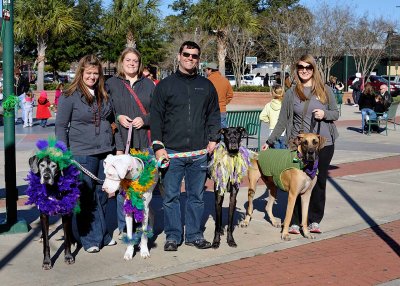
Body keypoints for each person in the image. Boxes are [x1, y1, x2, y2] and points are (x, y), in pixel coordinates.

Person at [150, 41, 220, 251]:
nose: (190, 58)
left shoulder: (206, 85)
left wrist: (213, 138)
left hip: (199, 152)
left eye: (195, 56)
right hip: (171, 152)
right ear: (179, 55)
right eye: (187, 54)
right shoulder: (165, 85)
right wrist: (158, 146)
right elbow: (156, 118)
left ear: (199, 59)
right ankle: (172, 236)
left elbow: (214, 114)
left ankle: (194, 235)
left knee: (196, 197)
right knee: (171, 197)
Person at [263, 54, 339, 234]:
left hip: (323, 143)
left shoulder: (324, 90)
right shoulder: (291, 93)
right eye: (301, 67)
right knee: (296, 182)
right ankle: (295, 221)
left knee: (318, 181)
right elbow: (282, 121)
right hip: (299, 145)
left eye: (308, 67)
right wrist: (269, 141)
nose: (304, 70)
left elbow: (335, 113)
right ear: (296, 70)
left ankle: (314, 220)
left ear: (314, 69)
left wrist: (325, 114)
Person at [55, 54, 116, 253]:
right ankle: (90, 239)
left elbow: (111, 118)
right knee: (85, 197)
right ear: (81, 72)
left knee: (103, 195)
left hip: (105, 150)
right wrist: (62, 153)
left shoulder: (104, 93)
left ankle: (101, 234)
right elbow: (61, 126)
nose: (92, 77)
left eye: (96, 74)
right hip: (81, 152)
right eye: (88, 73)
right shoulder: (69, 95)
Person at [105, 47, 155, 239]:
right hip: (121, 145)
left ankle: (143, 223)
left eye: (135, 60)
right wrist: (118, 117)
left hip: (144, 144)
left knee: (143, 189)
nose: (132, 63)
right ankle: (125, 227)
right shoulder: (111, 84)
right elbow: (106, 113)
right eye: (128, 60)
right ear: (122, 62)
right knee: (123, 188)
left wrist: (146, 119)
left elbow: (158, 113)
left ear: (139, 63)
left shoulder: (149, 85)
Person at [203, 62, 233, 128]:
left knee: (210, 130)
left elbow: (203, 97)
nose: (205, 72)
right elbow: (230, 95)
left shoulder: (207, 81)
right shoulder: (225, 80)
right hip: (222, 109)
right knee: (223, 130)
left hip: (210, 110)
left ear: (210, 70)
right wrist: (223, 103)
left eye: (205, 70)